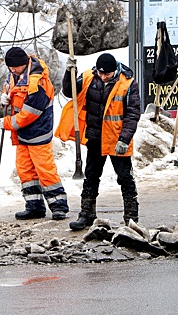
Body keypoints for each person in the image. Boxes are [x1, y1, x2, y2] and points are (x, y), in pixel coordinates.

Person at [56, 53, 141, 231]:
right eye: (101, 74)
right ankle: (86, 214)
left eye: (107, 75)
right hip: (95, 137)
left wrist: (125, 139)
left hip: (118, 139)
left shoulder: (128, 83)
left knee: (125, 178)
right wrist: (69, 71)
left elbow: (133, 114)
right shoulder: (88, 77)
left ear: (115, 71)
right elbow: (69, 91)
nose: (103, 77)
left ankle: (131, 218)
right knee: (91, 177)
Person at [0, 47, 70, 221]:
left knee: (45, 170)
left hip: (38, 131)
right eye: (11, 68)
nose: (13, 70)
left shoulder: (38, 82)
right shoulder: (14, 75)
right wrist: (4, 97)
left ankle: (59, 206)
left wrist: (7, 123)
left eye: (15, 67)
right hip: (22, 133)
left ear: (24, 63)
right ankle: (34, 206)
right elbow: (10, 91)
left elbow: (30, 113)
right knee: (25, 171)